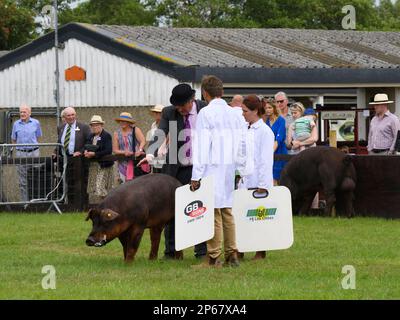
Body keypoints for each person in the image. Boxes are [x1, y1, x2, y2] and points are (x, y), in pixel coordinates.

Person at [140, 83, 208, 260]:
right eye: (177, 106)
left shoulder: (205, 109)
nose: (180, 109)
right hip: (176, 168)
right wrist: (149, 154)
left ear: (192, 100)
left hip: (200, 168)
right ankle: (172, 251)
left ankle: (201, 252)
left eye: (182, 106)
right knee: (171, 210)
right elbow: (160, 132)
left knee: (201, 210)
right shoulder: (170, 112)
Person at [191, 75, 247, 267]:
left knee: (214, 212)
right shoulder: (235, 114)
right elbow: (242, 143)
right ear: (222, 92)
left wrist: (195, 175)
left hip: (212, 167)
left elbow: (201, 146)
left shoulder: (205, 113)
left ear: (205, 93)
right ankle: (232, 254)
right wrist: (241, 167)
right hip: (229, 167)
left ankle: (213, 256)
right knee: (227, 211)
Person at [238, 95, 274, 260]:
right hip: (244, 179)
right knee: (241, 216)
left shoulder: (265, 132)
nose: (243, 114)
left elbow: (266, 161)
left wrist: (263, 185)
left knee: (258, 217)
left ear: (254, 111)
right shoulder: (245, 129)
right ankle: (240, 249)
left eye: (245, 111)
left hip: (258, 181)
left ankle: (260, 251)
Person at [11, 104, 42, 202]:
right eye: (21, 112)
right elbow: (13, 139)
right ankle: (25, 203)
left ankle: (35, 201)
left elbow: (38, 137)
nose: (22, 114)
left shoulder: (36, 123)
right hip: (21, 153)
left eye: (24, 112)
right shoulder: (16, 124)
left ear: (29, 113)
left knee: (36, 177)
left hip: (34, 153)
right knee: (22, 180)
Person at [85, 115, 114, 201]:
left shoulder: (106, 135)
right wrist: (85, 151)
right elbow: (86, 146)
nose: (95, 127)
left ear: (102, 125)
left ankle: (108, 204)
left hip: (104, 165)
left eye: (97, 125)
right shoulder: (90, 136)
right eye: (93, 125)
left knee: (100, 186)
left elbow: (108, 150)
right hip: (93, 166)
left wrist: (94, 154)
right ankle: (103, 206)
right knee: (94, 188)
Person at [112, 112, 147, 183]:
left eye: (124, 121)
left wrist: (139, 150)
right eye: (121, 121)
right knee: (123, 184)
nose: (122, 123)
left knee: (137, 183)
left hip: (135, 161)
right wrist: (124, 152)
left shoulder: (135, 130)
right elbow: (115, 150)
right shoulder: (116, 133)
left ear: (129, 122)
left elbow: (143, 141)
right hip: (122, 162)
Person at [264, 98, 287, 185]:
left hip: (279, 151)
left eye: (269, 107)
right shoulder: (266, 122)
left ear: (274, 108)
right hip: (269, 151)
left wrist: (269, 153)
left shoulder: (281, 120)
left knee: (279, 177)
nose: (267, 110)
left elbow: (279, 139)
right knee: (270, 177)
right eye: (266, 108)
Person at [147, 104, 167, 173]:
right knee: (156, 171)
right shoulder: (153, 125)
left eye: (159, 113)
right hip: (155, 151)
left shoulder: (167, 125)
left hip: (164, 151)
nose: (156, 114)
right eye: (155, 112)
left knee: (164, 171)